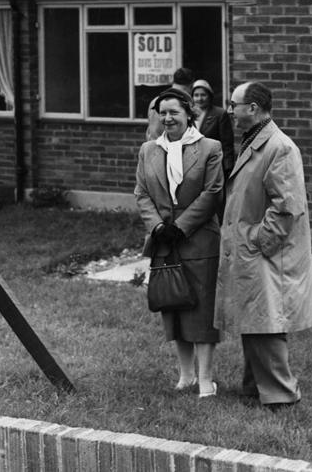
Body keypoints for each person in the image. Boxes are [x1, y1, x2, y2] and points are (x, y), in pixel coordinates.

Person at [214, 82, 312, 409]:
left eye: (235, 105)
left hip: (267, 253)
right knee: (255, 318)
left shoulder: (279, 147)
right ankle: (255, 386)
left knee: (266, 322)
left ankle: (280, 395)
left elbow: (287, 206)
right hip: (255, 250)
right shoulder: (256, 142)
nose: (230, 111)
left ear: (254, 108)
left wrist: (259, 240)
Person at [135, 87, 224, 398]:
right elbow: (142, 193)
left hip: (199, 240)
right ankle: (185, 375)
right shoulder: (149, 149)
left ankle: (205, 379)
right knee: (173, 306)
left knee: (201, 310)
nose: (168, 118)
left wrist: (181, 227)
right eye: (163, 112)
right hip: (163, 241)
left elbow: (212, 193)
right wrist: (158, 226)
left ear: (189, 114)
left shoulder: (210, 147)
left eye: (174, 112)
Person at [191, 79, 235, 175]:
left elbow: (227, 144)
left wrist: (228, 167)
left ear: (210, 96)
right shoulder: (188, 114)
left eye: (203, 95)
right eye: (196, 95)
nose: (199, 99)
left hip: (214, 163)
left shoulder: (219, 114)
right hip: (193, 165)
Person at [145, 67, 194, 141]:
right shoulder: (185, 102)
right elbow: (155, 133)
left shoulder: (156, 101)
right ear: (191, 85)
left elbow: (151, 132)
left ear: (173, 81)